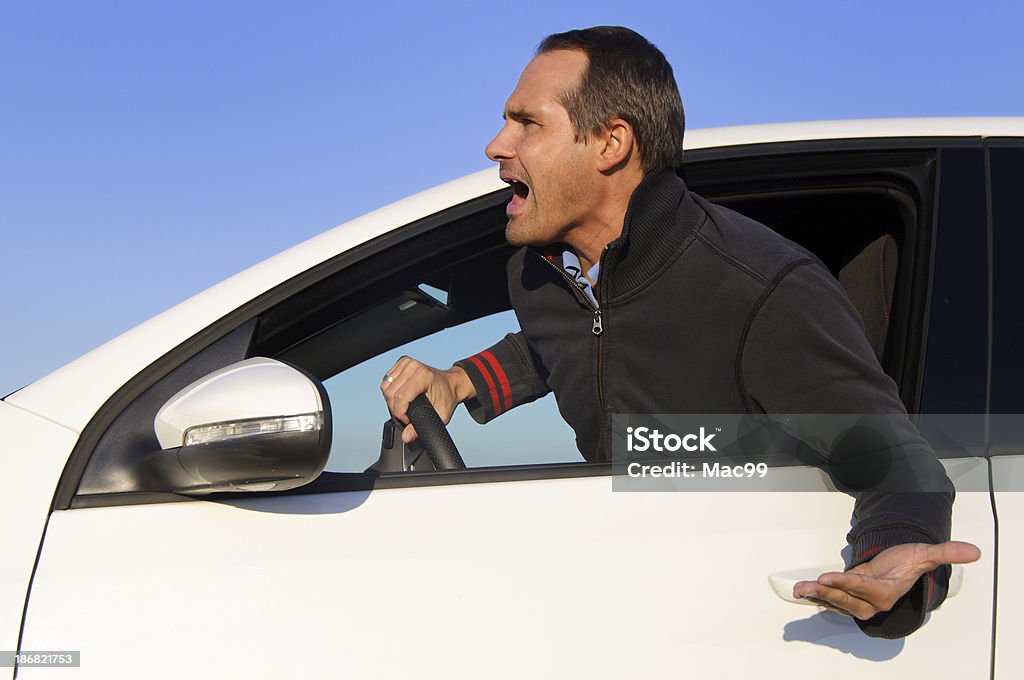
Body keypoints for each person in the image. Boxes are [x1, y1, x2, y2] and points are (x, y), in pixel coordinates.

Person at [380, 26, 980, 638]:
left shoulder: (759, 287)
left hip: (735, 613)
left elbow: (893, 459)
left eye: (527, 123)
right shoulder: (541, 275)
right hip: (625, 586)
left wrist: (894, 555)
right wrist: (459, 381)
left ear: (611, 143)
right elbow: (563, 340)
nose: (495, 145)